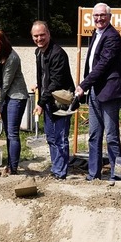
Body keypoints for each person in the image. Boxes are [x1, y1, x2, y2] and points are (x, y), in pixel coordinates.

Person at [74, 3, 121, 182]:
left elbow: (103, 65)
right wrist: (86, 85)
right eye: (96, 16)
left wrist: (83, 85)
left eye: (102, 15)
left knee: (111, 135)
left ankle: (116, 175)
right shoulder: (94, 34)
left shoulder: (113, 37)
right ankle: (93, 173)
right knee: (94, 134)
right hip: (95, 91)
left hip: (109, 92)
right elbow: (91, 65)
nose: (99, 19)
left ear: (109, 17)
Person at [32, 21, 75, 180]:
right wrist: (39, 85)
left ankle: (60, 172)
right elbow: (45, 75)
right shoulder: (39, 52)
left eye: (42, 35)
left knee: (60, 137)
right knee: (51, 137)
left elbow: (56, 81)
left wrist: (40, 102)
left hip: (61, 100)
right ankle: (56, 167)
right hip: (49, 99)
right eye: (36, 36)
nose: (39, 38)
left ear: (48, 34)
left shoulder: (58, 54)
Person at [0, 30, 29, 175]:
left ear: (3, 44)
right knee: (8, 133)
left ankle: (13, 168)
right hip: (5, 96)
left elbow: (6, 83)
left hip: (16, 96)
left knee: (12, 132)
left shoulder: (12, 57)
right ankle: (9, 164)